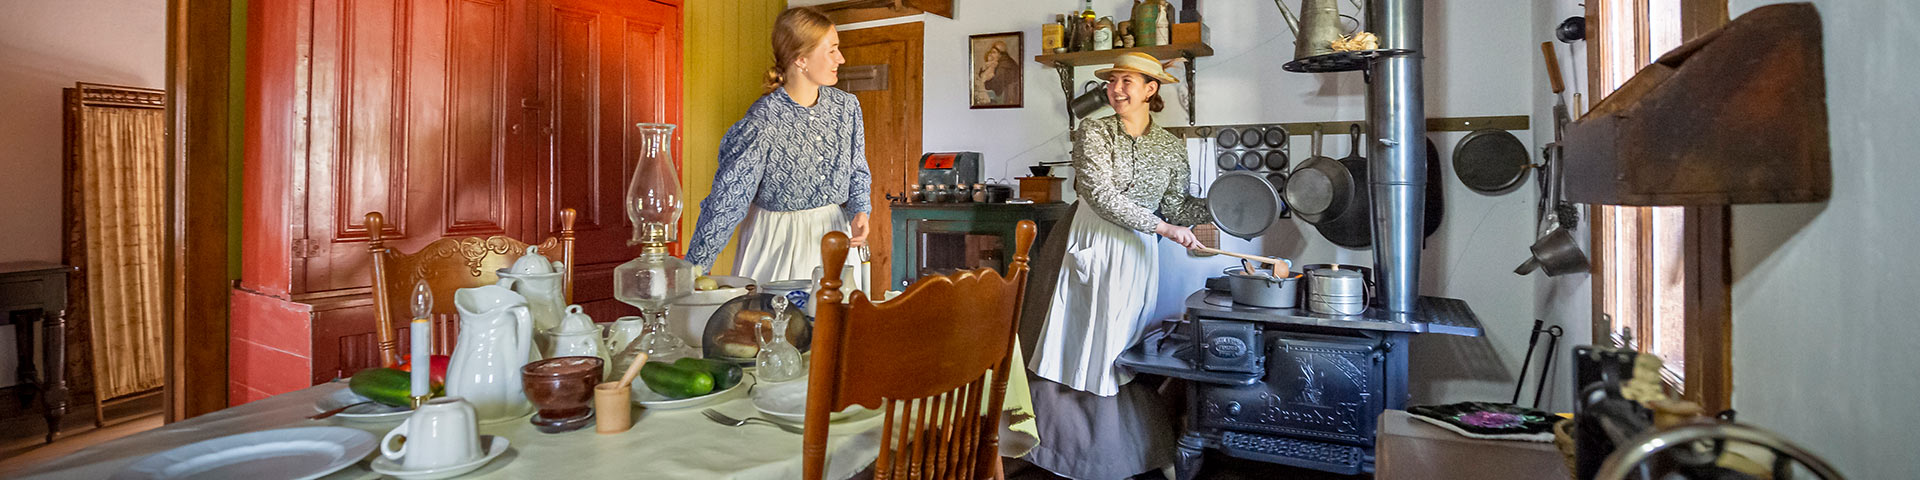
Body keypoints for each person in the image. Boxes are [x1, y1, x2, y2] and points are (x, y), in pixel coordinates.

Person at [1025, 52, 1210, 479]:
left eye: (1128, 81)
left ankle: (1124, 449)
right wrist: (1162, 228)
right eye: (1112, 81)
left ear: (1151, 89)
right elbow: (1099, 194)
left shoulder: (1169, 147)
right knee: (1081, 341)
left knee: (1122, 345)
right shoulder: (1094, 131)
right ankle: (1070, 450)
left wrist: (1221, 205)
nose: (1116, 88)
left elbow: (1176, 205)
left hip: (1138, 253)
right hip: (1091, 241)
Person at [685, 7, 870, 290]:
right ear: (801, 59)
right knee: (776, 327)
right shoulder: (761, 123)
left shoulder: (847, 107)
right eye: (831, 50)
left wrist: (860, 211)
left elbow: (858, 169)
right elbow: (727, 201)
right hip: (778, 242)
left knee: (837, 328)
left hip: (835, 239)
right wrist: (691, 272)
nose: (840, 59)